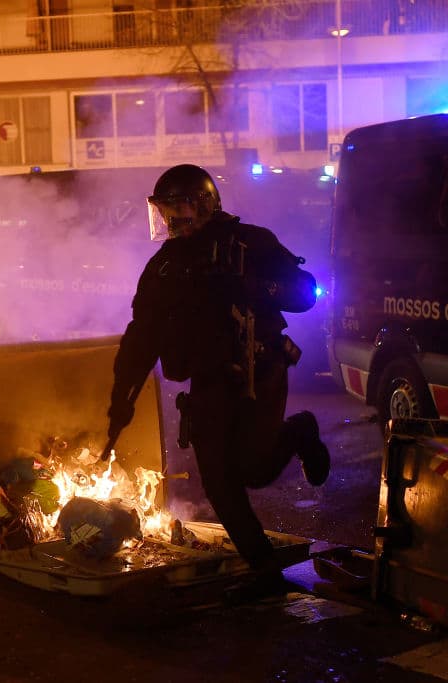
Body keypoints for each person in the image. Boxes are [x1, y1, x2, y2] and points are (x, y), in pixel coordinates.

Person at [106, 164, 330, 595]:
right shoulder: (165, 269)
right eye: (165, 210)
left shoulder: (251, 244)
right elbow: (141, 337)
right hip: (207, 383)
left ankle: (300, 431)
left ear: (206, 204)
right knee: (217, 480)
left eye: (181, 207)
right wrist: (121, 399)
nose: (172, 219)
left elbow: (304, 292)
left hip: (258, 371)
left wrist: (250, 285)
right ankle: (263, 568)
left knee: (253, 468)